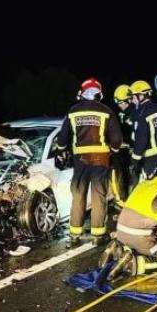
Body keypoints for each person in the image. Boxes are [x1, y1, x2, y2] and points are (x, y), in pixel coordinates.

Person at [53, 78, 123, 247]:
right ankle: (98, 235)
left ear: (82, 93)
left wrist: (61, 150)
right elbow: (117, 139)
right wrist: (112, 152)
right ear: (99, 93)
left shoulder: (73, 111)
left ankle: (74, 235)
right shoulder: (106, 111)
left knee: (78, 195)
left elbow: (62, 139)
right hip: (101, 159)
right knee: (99, 195)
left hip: (80, 160)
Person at [100, 170, 157, 280]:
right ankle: (132, 264)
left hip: (120, 232)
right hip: (138, 236)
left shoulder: (143, 184)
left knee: (139, 239)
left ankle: (115, 248)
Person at [111, 84, 135, 205]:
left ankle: (131, 202)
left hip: (132, 152)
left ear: (129, 100)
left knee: (131, 177)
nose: (119, 105)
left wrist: (130, 145)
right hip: (121, 151)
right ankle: (123, 200)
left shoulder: (136, 114)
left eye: (121, 102)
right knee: (121, 177)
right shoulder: (120, 114)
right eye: (118, 103)